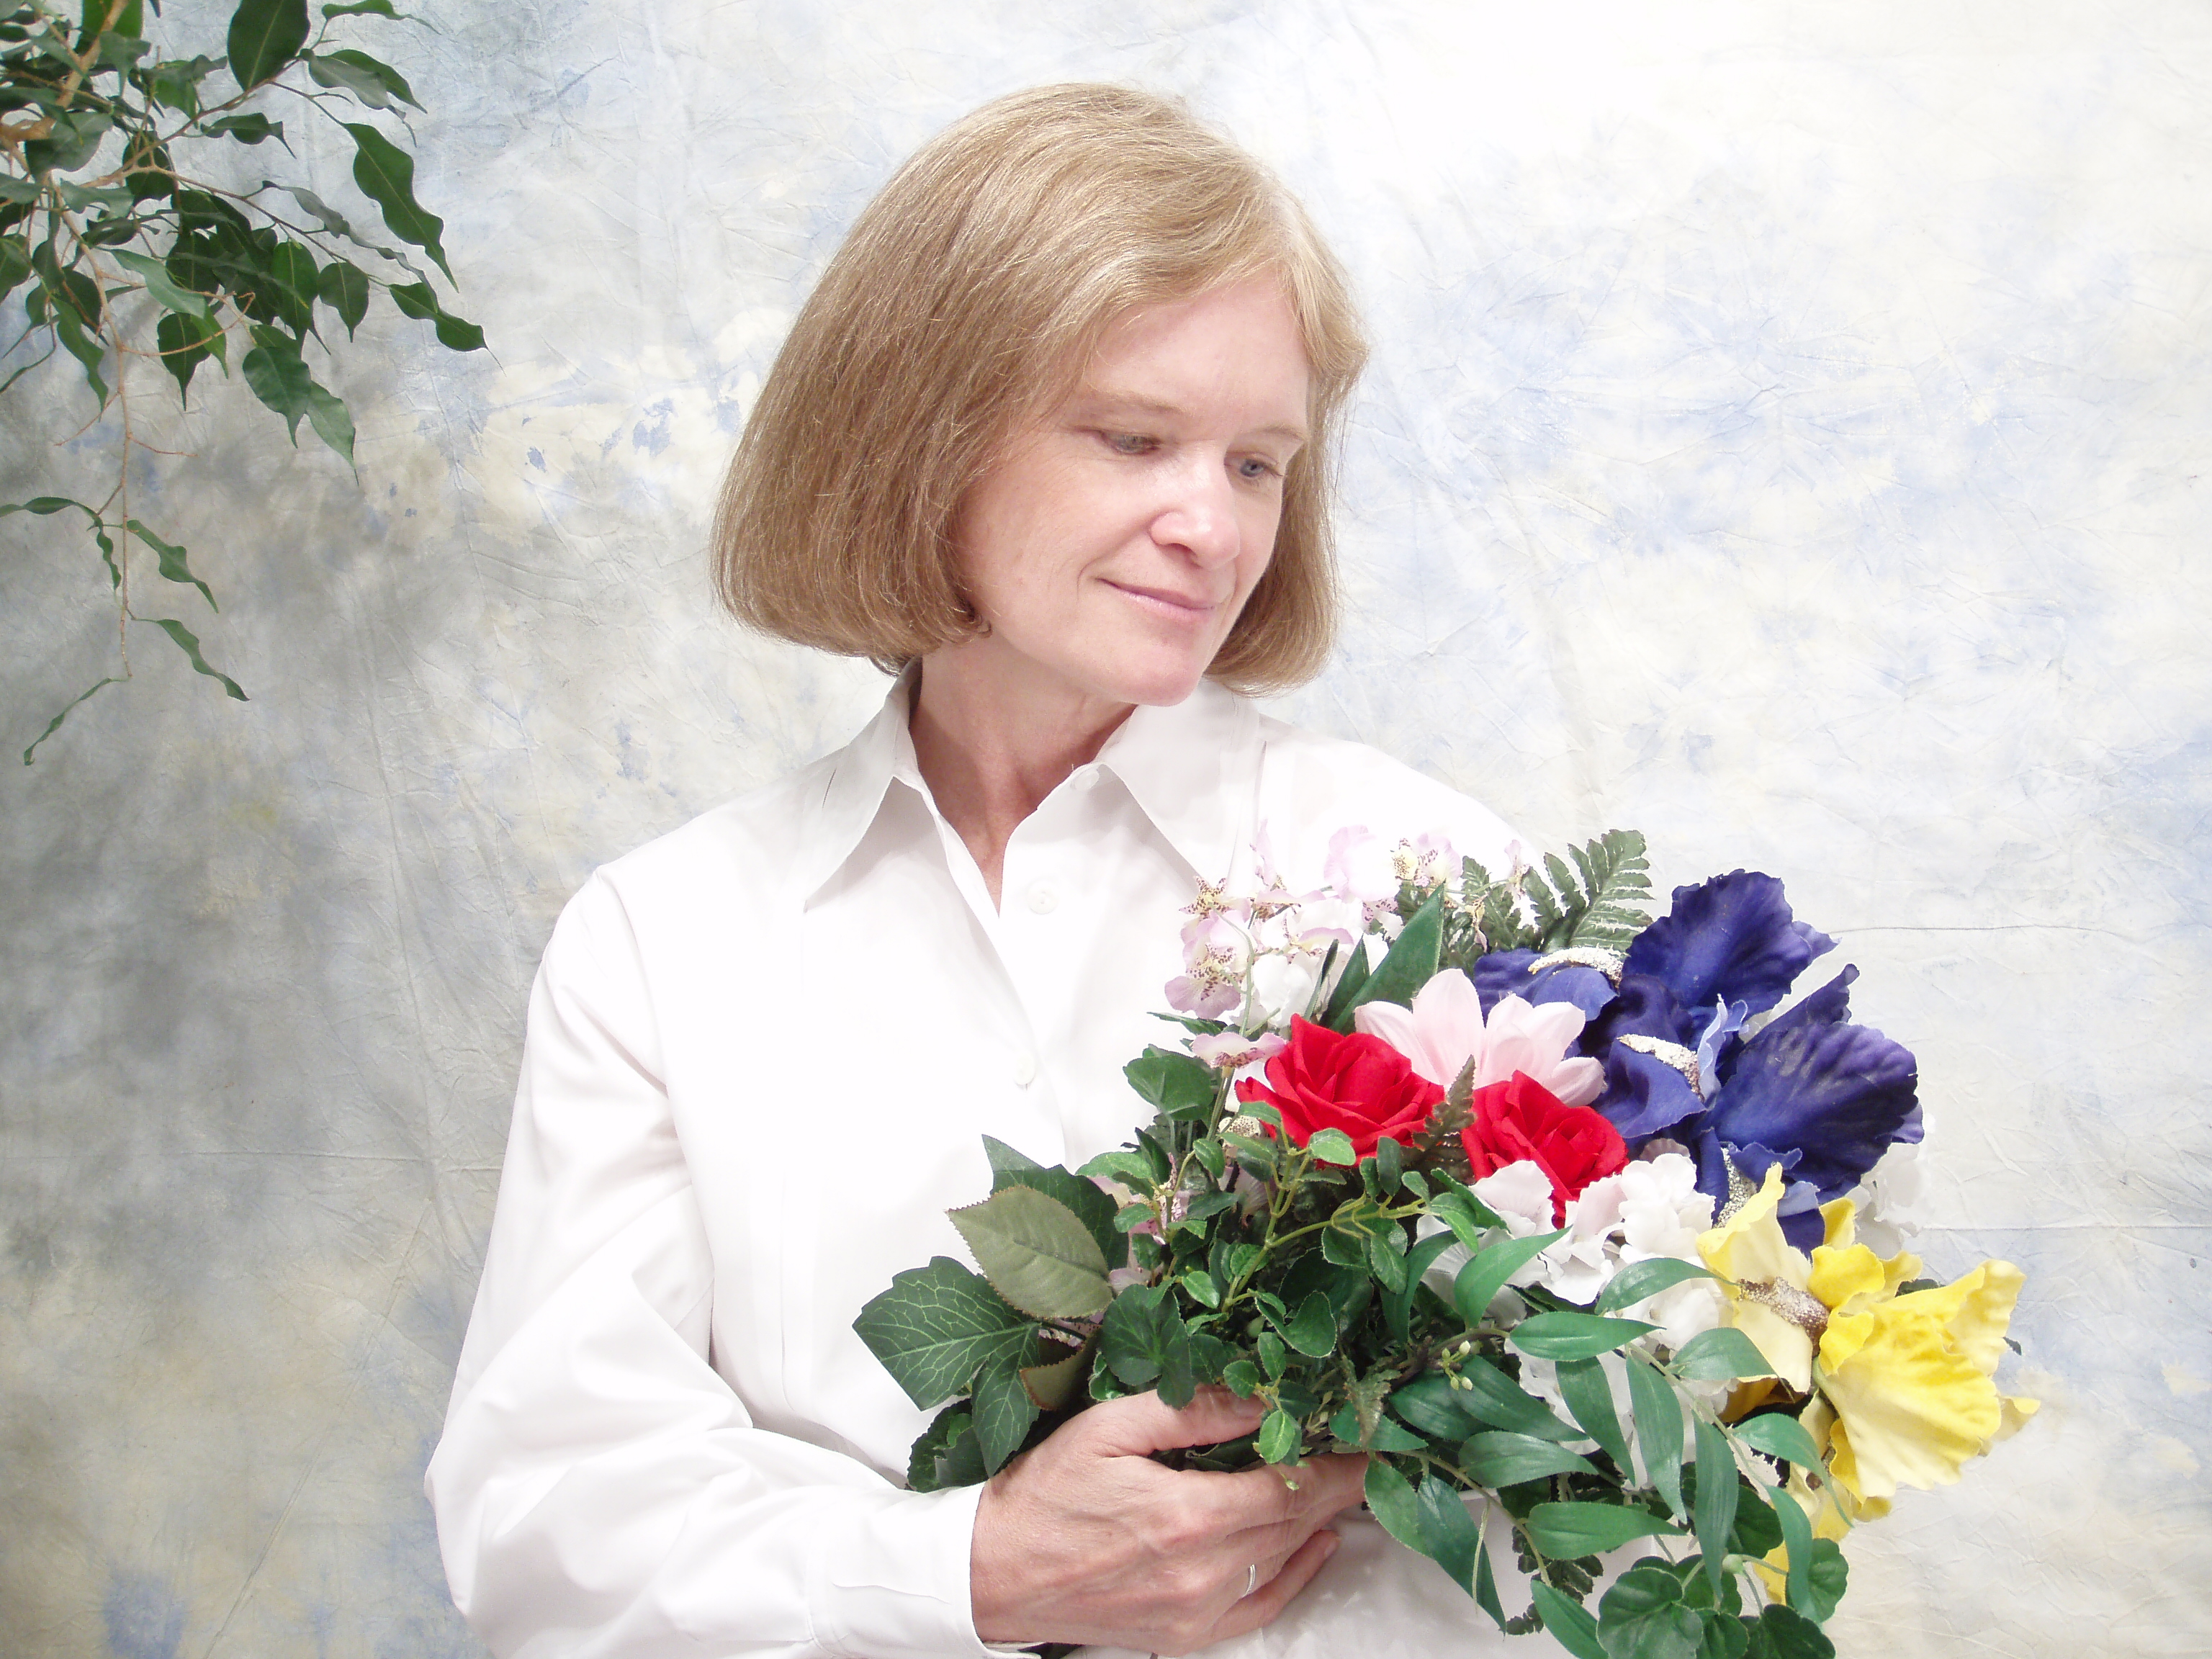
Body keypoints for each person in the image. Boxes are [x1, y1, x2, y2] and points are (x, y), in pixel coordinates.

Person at [428, 84, 1521, 1658]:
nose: (1212, 528)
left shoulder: (1439, 887)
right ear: (922, 435)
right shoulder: (665, 941)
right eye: (1133, 438)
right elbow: (551, 1521)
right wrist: (968, 1575)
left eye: (1257, 464)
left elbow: (1571, 1473)